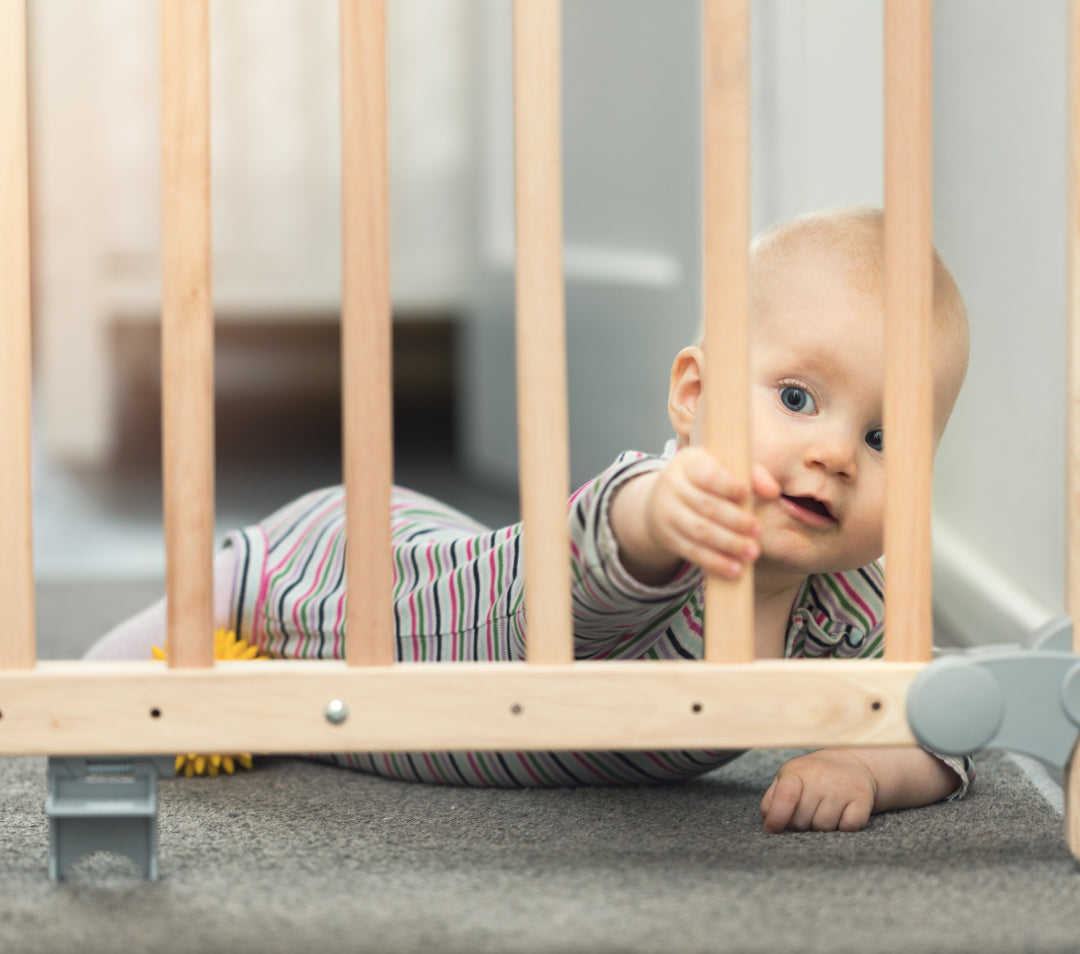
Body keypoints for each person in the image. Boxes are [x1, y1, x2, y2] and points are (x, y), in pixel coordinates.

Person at [86, 206, 974, 833]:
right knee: (157, 658)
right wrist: (663, 515)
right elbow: (594, 567)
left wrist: (864, 767)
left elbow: (942, 732)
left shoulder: (850, 605)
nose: (836, 455)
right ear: (693, 397)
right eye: (795, 397)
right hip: (354, 571)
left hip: (433, 627)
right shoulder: (658, 510)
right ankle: (73, 695)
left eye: (884, 434)